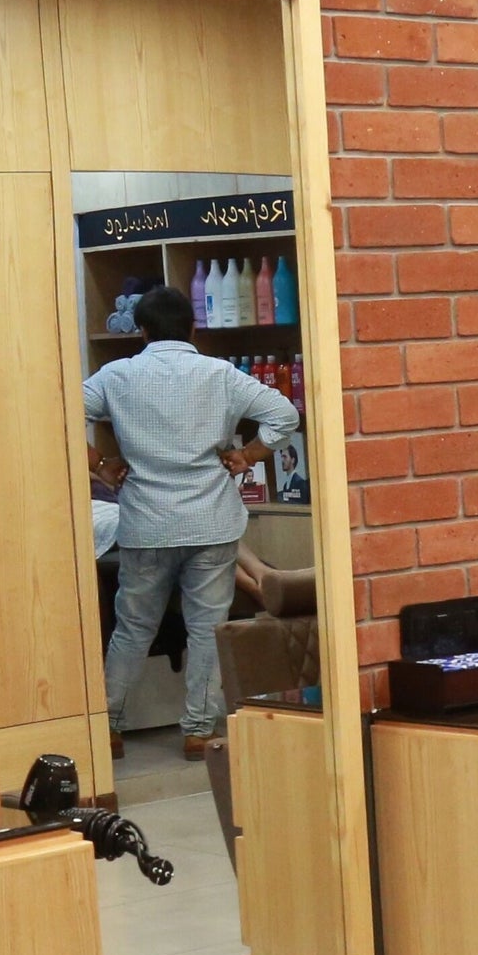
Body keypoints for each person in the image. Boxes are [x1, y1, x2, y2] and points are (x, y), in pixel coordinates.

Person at [84, 283, 302, 758]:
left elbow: (56, 416)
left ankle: (109, 726)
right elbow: (284, 417)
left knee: (133, 627)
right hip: (211, 522)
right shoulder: (220, 374)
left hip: (145, 524)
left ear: (140, 330)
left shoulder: (116, 375)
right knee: (207, 627)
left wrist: (100, 464)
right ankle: (199, 731)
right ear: (193, 327)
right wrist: (246, 454)